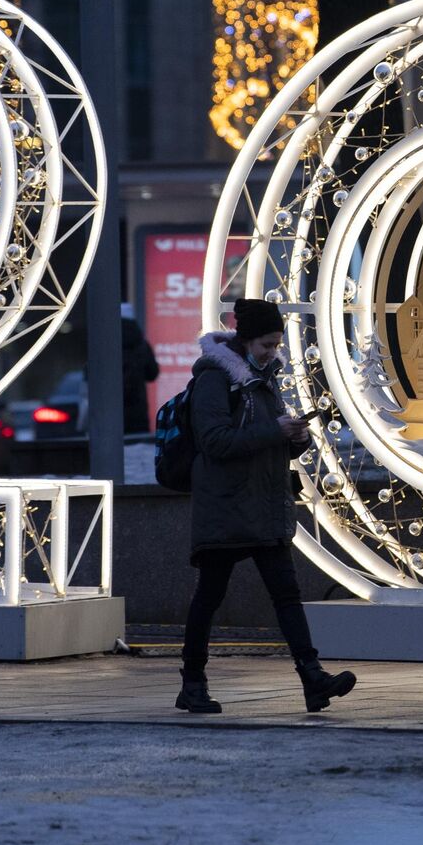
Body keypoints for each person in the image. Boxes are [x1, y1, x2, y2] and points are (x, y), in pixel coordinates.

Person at [176, 297, 357, 715]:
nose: (273, 352)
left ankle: (313, 679)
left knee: (287, 595)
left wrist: (295, 438)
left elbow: (264, 438)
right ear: (246, 340)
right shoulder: (214, 378)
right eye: (266, 345)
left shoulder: (264, 377)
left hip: (264, 506)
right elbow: (215, 442)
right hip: (226, 507)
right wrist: (273, 431)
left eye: (276, 345)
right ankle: (192, 682)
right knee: (210, 595)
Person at [121, 307, 160, 435]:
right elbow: (152, 373)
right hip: (138, 410)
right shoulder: (142, 344)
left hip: (113, 411)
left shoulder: (108, 343)